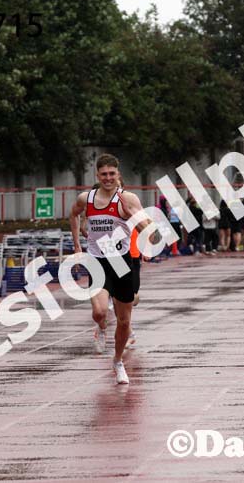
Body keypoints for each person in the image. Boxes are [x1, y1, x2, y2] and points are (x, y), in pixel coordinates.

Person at [69, 154, 152, 385]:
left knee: (124, 321)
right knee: (100, 312)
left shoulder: (129, 198)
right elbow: (73, 215)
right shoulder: (86, 198)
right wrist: (76, 245)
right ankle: (101, 326)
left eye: (111, 174)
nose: (107, 178)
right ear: (97, 175)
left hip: (121, 262)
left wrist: (132, 214)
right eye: (103, 174)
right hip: (97, 260)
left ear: (118, 174)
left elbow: (150, 230)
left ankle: (117, 361)